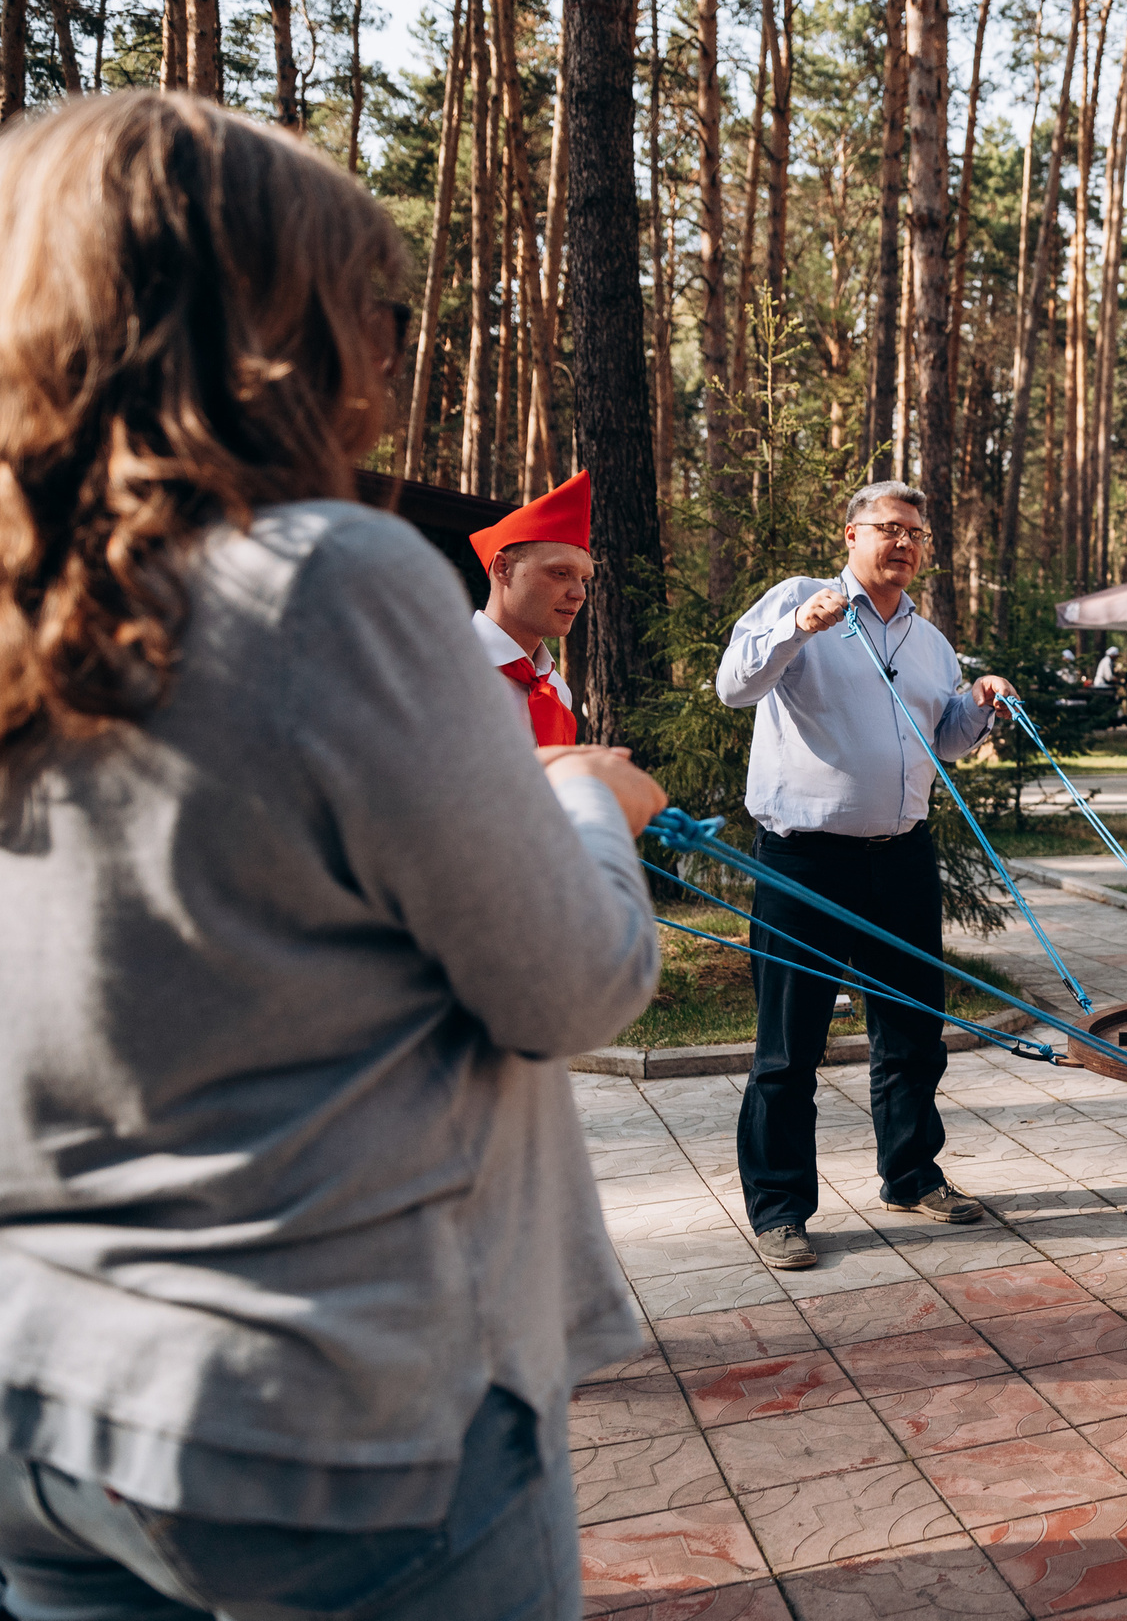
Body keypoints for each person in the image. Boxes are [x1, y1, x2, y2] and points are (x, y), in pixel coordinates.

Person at [0, 93, 667, 1619]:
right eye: (363, 304)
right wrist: (583, 796)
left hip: (38, 1395)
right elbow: (570, 983)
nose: (382, 351)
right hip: (322, 1409)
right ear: (266, 326)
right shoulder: (320, 578)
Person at [717, 481, 1018, 1265]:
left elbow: (943, 739)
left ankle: (911, 1175)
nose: (906, 543)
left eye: (917, 533)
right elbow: (733, 686)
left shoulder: (929, 640)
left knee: (914, 1033)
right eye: (889, 528)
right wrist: (796, 628)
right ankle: (780, 1209)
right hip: (805, 860)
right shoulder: (800, 600)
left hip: (902, 858)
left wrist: (980, 703)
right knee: (789, 1047)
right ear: (849, 535)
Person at [468, 469, 594, 746]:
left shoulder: (556, 690)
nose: (579, 593)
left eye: (584, 580)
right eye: (560, 573)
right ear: (503, 569)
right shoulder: (448, 669)